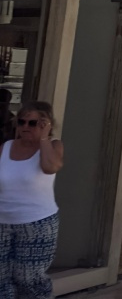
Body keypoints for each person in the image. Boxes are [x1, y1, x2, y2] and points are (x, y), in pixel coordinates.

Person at [0, 102, 64, 299]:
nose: (26, 127)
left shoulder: (53, 146)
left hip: (37, 223)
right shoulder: (6, 147)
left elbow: (50, 167)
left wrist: (44, 138)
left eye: (33, 123)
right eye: (22, 122)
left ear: (46, 124)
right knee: (1, 278)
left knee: (29, 279)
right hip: (3, 221)